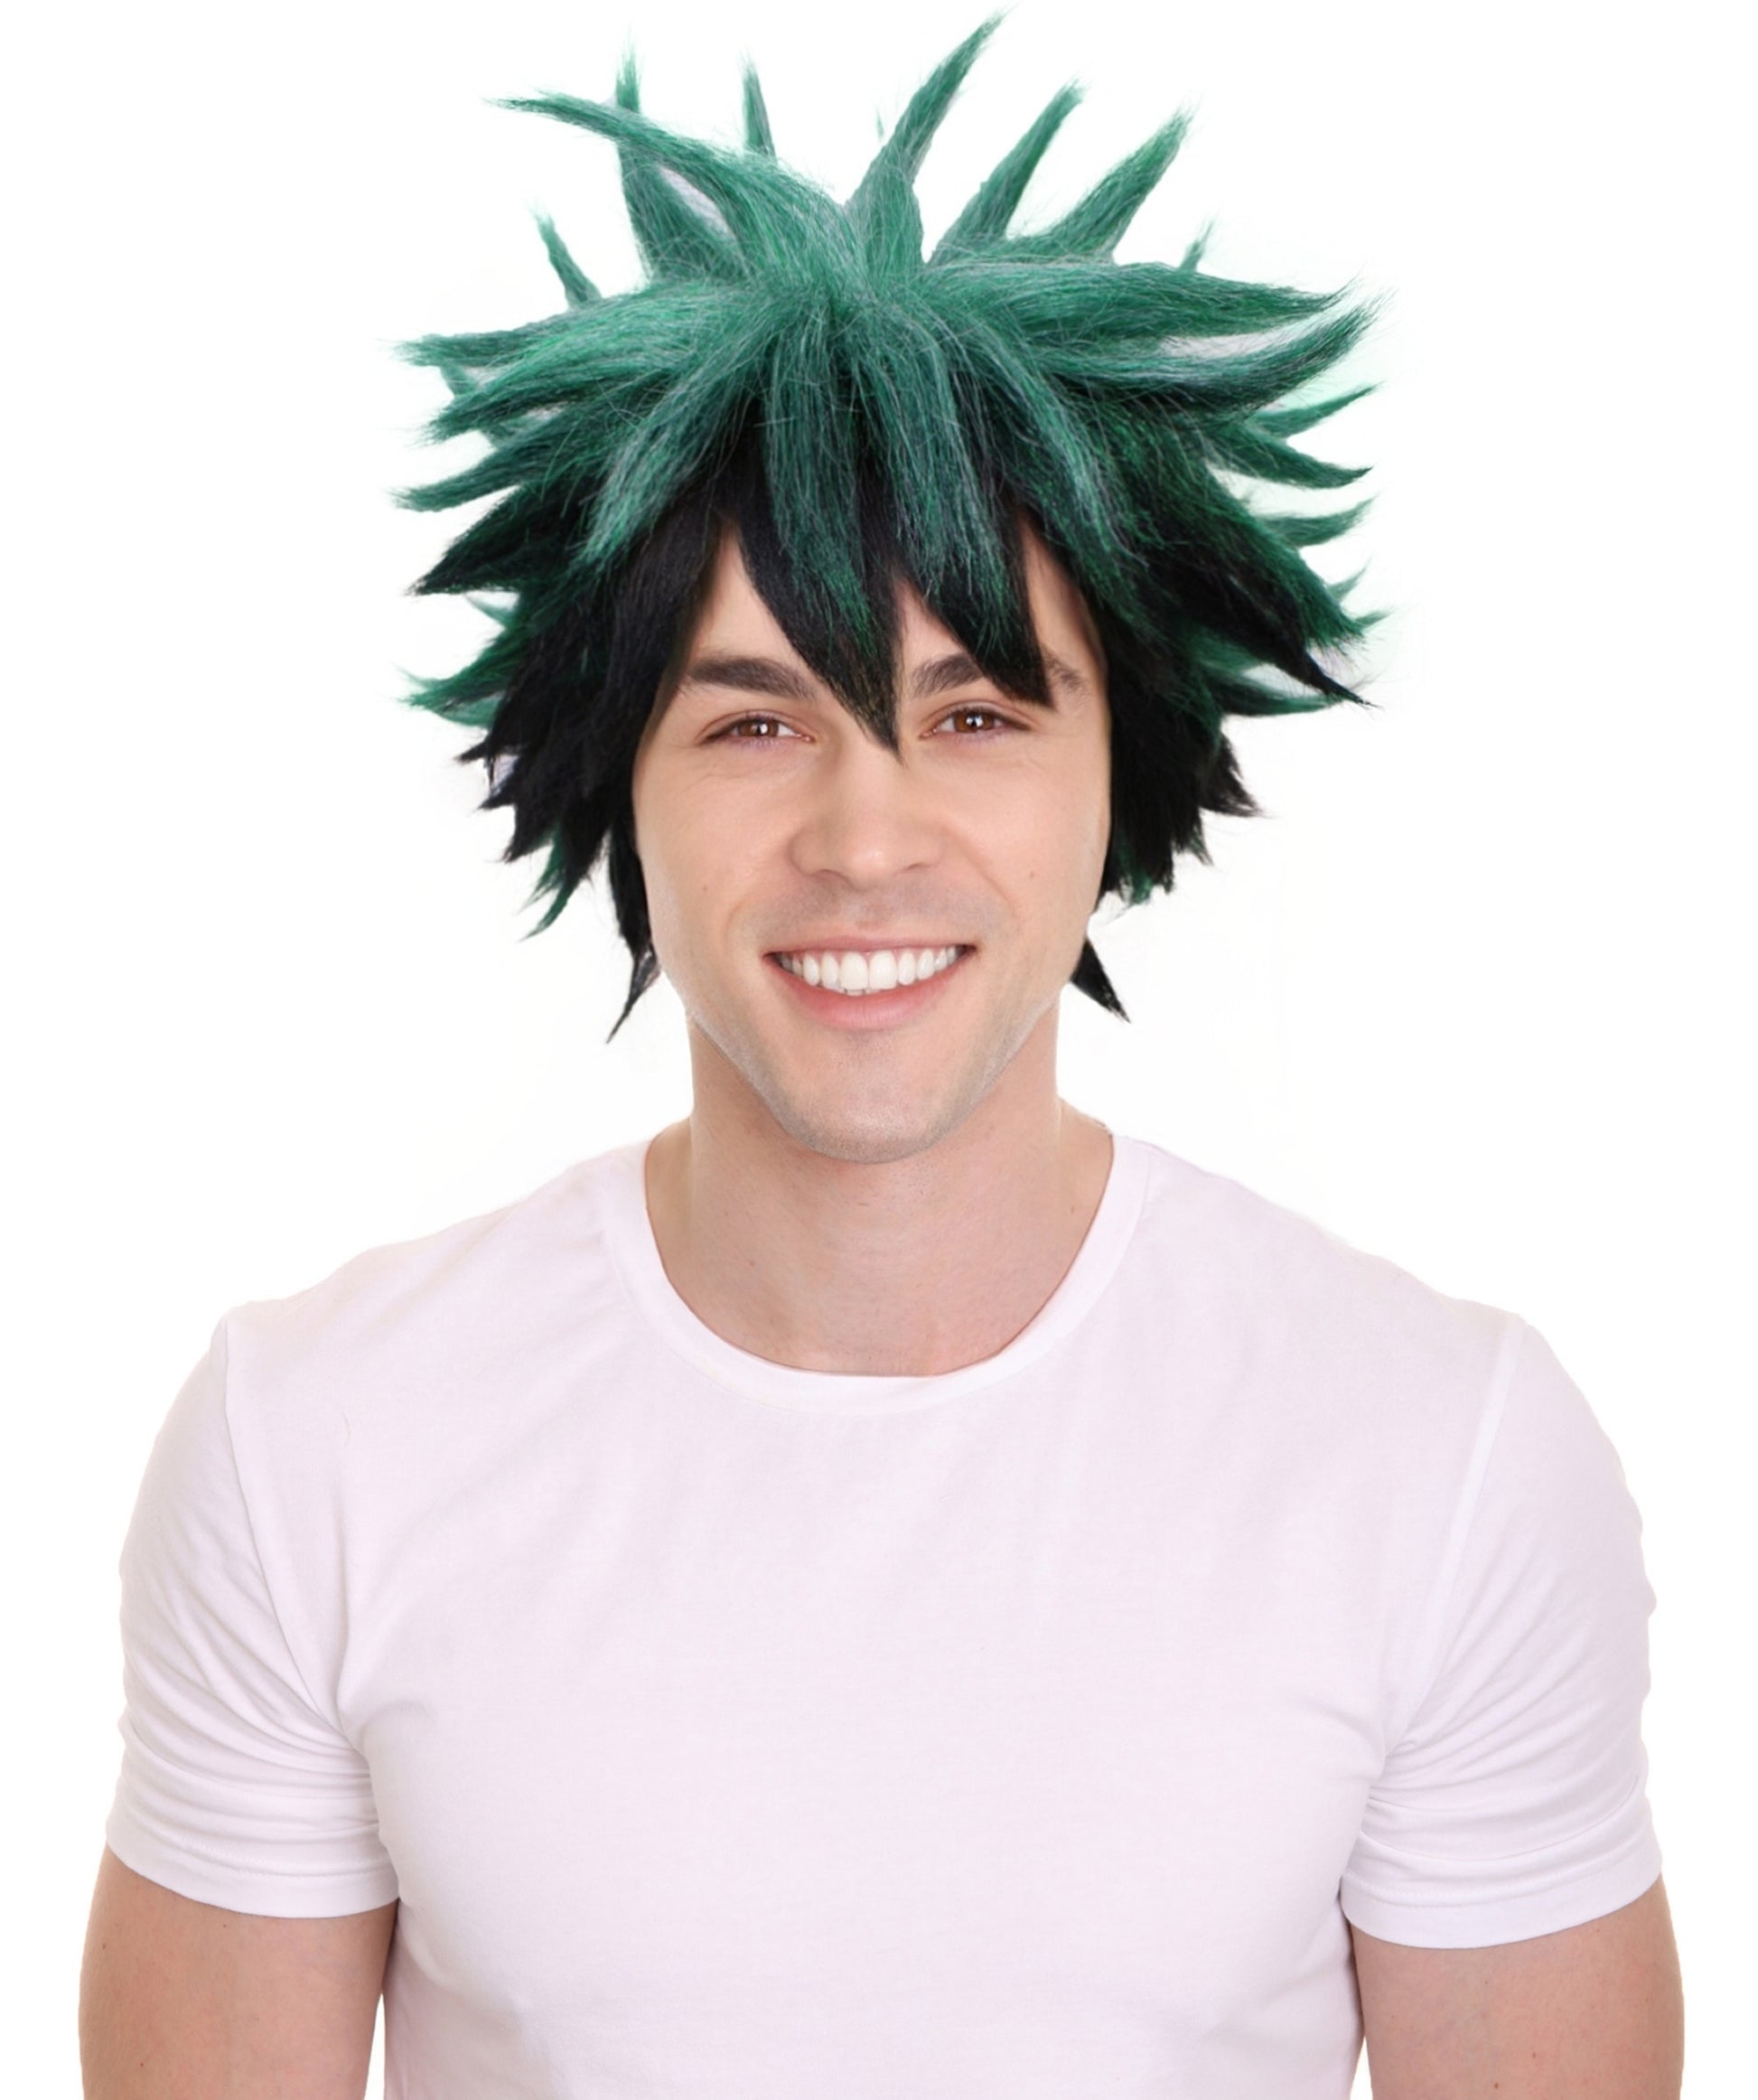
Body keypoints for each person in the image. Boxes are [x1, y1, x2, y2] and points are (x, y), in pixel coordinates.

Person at [78, 23, 1684, 2098]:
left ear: (1122, 773)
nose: (863, 837)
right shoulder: (313, 1444)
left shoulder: (1438, 1458)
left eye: (978, 712)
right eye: (753, 721)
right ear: (616, 783)